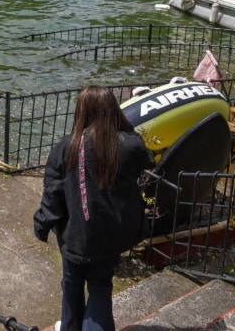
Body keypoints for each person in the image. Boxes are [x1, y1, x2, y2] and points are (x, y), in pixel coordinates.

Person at [34, 86, 153, 331]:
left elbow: (53, 195)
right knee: (100, 286)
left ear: (81, 112)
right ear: (113, 111)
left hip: (75, 236)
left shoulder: (67, 147)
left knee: (71, 284)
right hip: (111, 235)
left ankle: (69, 326)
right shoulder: (131, 146)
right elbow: (146, 167)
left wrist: (42, 224)